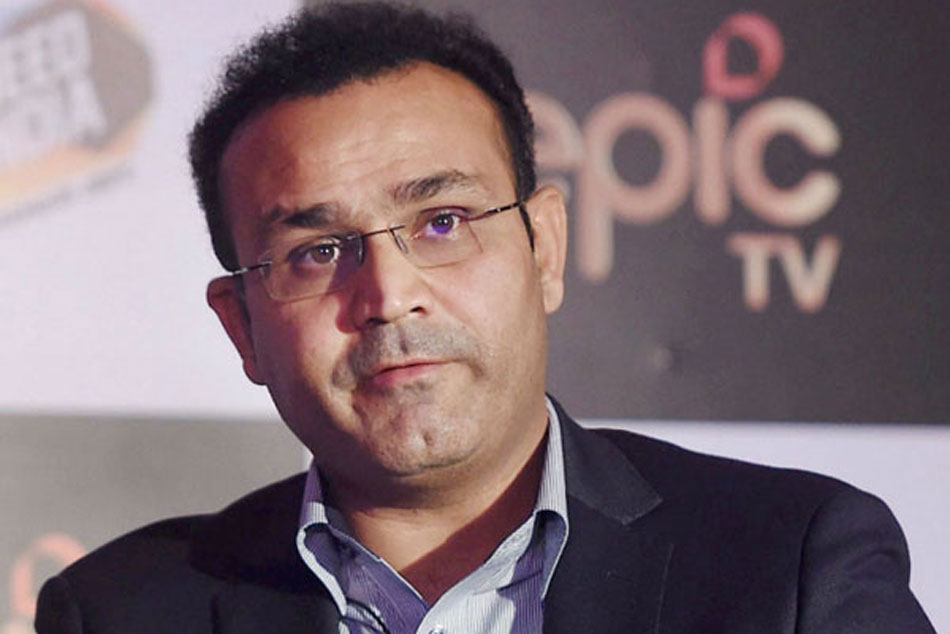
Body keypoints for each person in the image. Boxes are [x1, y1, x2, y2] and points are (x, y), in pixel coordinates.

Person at [35, 3, 934, 633]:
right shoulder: (118, 611)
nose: (389, 294)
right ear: (241, 327)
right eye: (318, 251)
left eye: (442, 222)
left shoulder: (790, 568)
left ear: (544, 249)